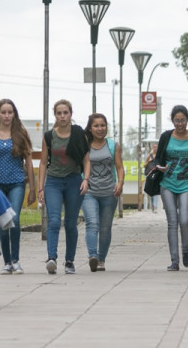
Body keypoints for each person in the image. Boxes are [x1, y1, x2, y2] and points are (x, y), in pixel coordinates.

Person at [38, 99, 90, 275]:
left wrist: (86, 179)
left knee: (70, 223)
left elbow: (86, 159)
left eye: (65, 113)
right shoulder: (49, 136)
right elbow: (43, 163)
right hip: (53, 181)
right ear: (55, 115)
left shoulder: (78, 133)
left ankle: (69, 261)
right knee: (53, 220)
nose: (62, 116)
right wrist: (40, 188)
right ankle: (51, 258)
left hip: (74, 180)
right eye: (59, 113)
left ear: (71, 114)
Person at [154, 105, 188, 271]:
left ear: (187, 120)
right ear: (172, 121)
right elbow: (157, 159)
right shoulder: (166, 137)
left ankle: (185, 250)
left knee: (184, 220)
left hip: (187, 185)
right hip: (167, 184)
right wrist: (159, 167)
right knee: (172, 222)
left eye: (182, 120)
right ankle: (174, 260)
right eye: (177, 120)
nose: (180, 124)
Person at [0, 99, 36, 275]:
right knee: (3, 222)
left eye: (10, 112)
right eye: (3, 112)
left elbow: (28, 162)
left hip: (17, 182)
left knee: (14, 219)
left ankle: (16, 260)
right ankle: (7, 262)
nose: (6, 116)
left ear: (14, 114)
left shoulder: (20, 133)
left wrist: (32, 189)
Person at [82, 113, 124, 272]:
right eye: (96, 126)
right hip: (89, 192)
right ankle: (92, 256)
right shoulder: (85, 145)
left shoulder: (113, 145)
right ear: (90, 128)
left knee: (105, 228)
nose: (100, 129)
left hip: (109, 192)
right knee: (92, 223)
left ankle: (101, 260)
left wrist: (120, 183)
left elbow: (119, 167)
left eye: (103, 125)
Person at [143, 143, 159, 213]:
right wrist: (149, 161)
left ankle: (155, 207)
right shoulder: (149, 156)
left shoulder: (159, 156)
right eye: (154, 147)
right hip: (150, 175)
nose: (155, 148)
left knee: (156, 191)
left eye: (156, 147)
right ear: (152, 148)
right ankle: (152, 206)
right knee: (151, 191)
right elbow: (144, 165)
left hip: (157, 175)